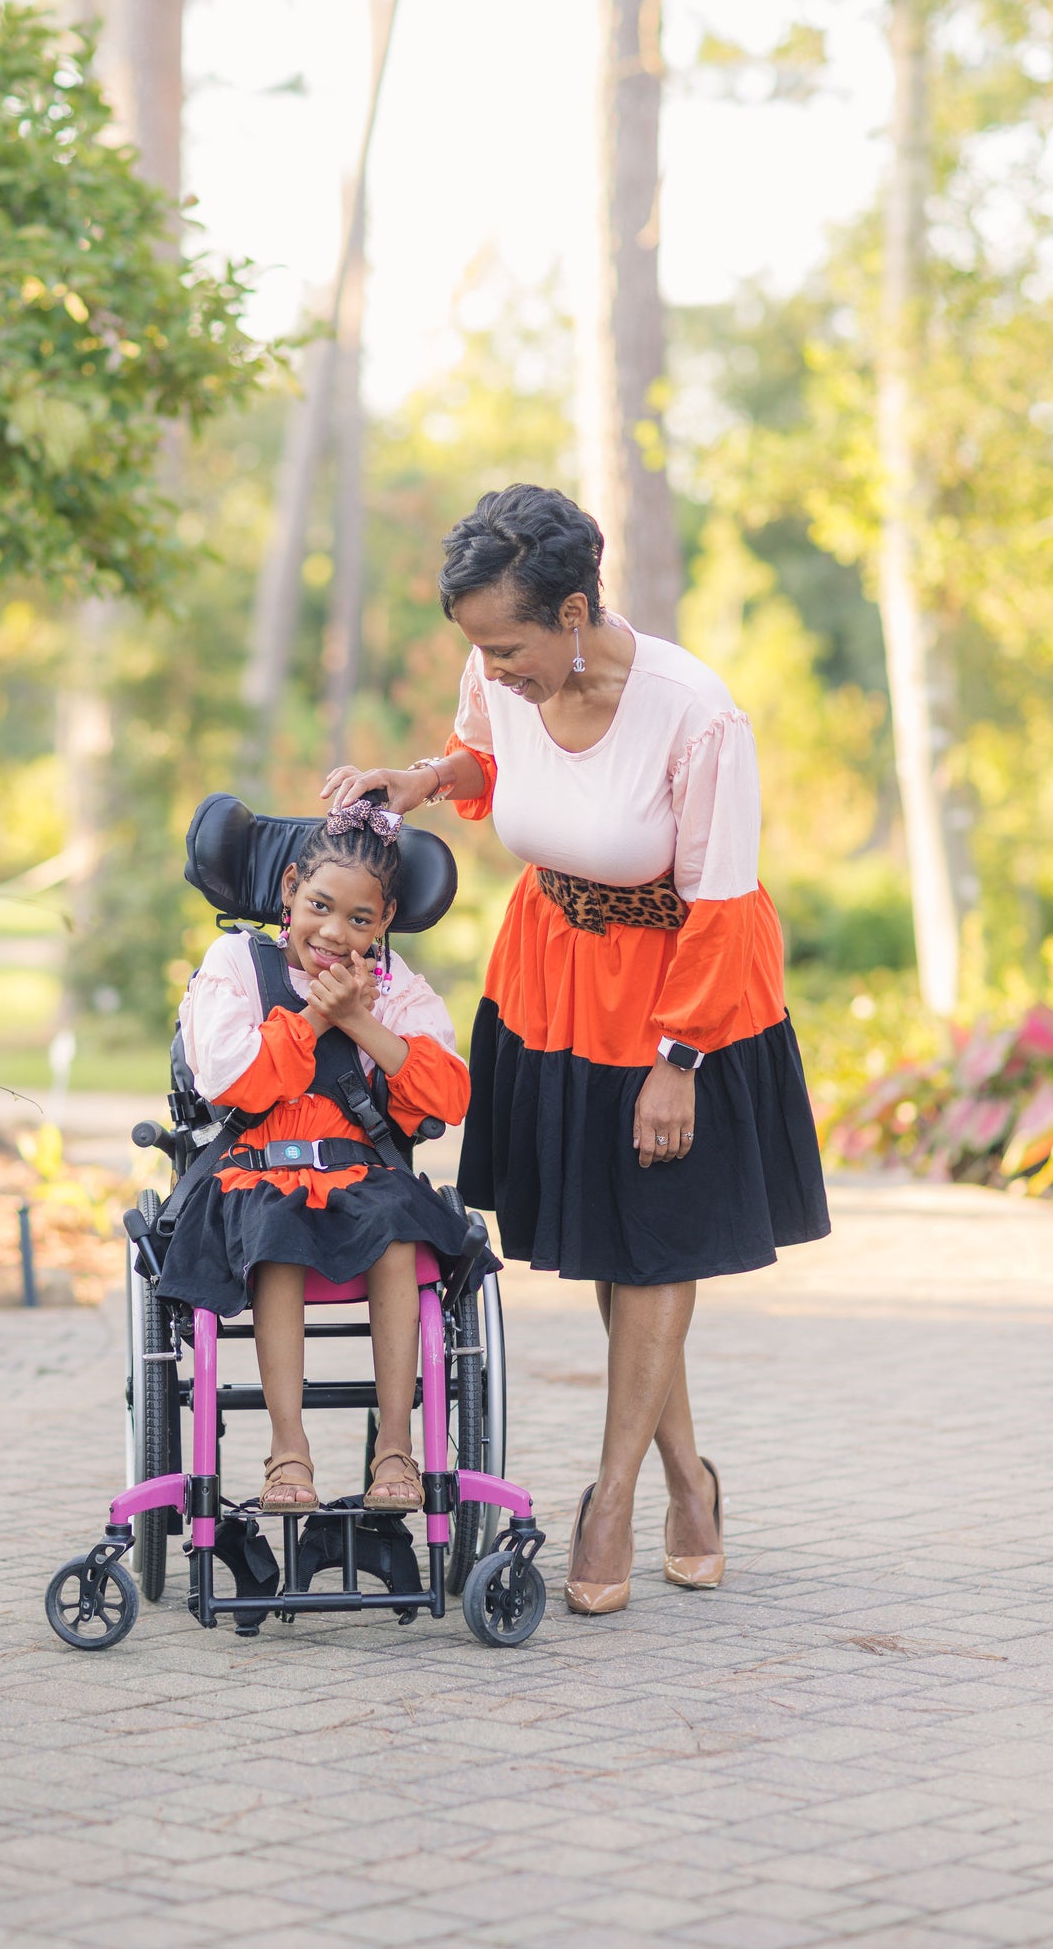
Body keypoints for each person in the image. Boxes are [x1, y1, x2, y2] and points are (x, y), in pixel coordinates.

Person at [324, 483, 831, 1613]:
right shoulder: (498, 676)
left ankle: (611, 1499)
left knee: (655, 1236)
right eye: (476, 648)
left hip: (675, 994)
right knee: (620, 1244)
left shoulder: (693, 713)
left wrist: (679, 1058)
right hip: (550, 979)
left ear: (569, 613)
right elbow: (486, 758)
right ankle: (689, 1482)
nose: (492, 669)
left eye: (507, 646)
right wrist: (420, 780)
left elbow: (723, 902)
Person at [156, 795, 475, 1518]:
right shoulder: (237, 960)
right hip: (253, 1171)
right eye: (321, 907)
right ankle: (287, 1447)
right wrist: (312, 1017)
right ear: (290, 888)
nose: (334, 933)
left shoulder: (396, 990)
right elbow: (232, 1078)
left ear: (384, 921)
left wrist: (358, 1017)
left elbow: (445, 1096)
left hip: (359, 1172)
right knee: (277, 1228)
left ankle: (395, 1448)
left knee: (400, 1225)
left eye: (360, 920)